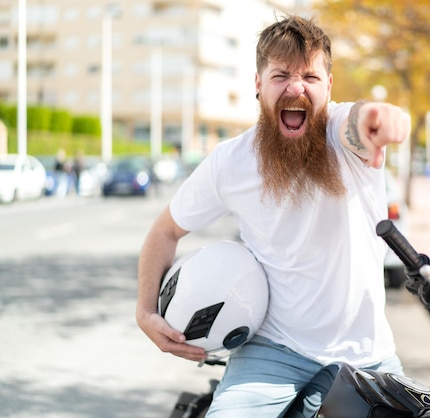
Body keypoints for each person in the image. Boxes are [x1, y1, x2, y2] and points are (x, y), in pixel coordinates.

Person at [136, 15, 411, 417]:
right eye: (281, 75)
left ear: (329, 87)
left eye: (311, 78)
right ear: (258, 85)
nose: (296, 87)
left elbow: (365, 122)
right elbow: (164, 231)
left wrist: (384, 121)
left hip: (367, 355)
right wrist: (146, 313)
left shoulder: (343, 132)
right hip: (273, 350)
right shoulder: (230, 162)